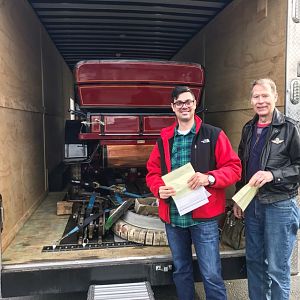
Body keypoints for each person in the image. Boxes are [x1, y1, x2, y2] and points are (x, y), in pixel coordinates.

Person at [146, 86, 241, 300]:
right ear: (173, 107)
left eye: (188, 101)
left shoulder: (213, 134)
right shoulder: (164, 138)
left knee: (211, 274)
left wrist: (209, 178)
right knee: (181, 271)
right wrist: (158, 188)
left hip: (204, 219)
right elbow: (152, 171)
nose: (184, 106)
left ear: (195, 104)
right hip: (174, 218)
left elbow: (234, 168)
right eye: (179, 103)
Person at [233, 78, 300, 300]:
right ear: (251, 100)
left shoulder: (289, 128)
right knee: (254, 262)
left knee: (277, 268)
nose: (260, 101)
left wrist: (273, 174)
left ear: (275, 98)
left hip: (279, 205)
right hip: (252, 205)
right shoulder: (248, 128)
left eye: (265, 96)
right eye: (256, 97)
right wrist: (238, 199)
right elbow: (242, 167)